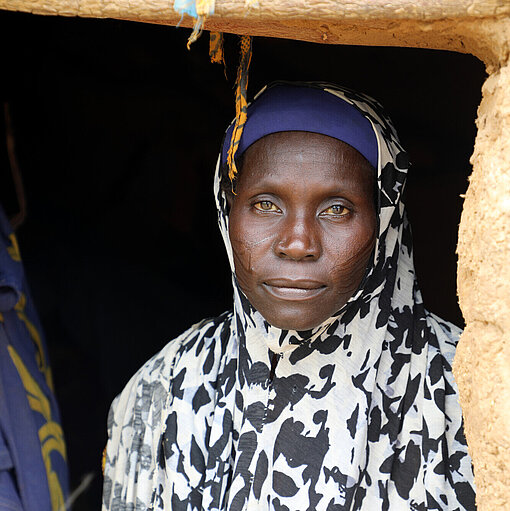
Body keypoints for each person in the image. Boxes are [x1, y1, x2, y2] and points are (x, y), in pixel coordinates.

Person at [102, 82, 476, 510]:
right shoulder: (163, 390)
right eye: (266, 204)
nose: (298, 243)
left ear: (384, 220)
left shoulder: (465, 388)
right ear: (227, 210)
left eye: (337, 208)